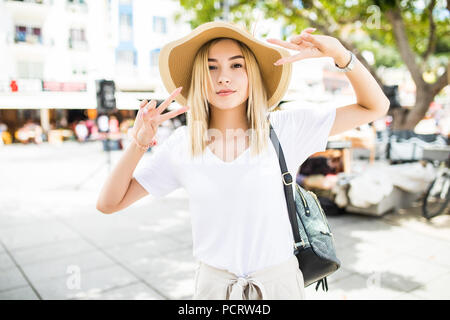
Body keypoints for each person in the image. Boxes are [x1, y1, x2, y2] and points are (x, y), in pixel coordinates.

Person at [96, 21, 389, 300]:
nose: (223, 77)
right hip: (214, 288)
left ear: (253, 75)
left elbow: (375, 106)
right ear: (199, 78)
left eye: (237, 65)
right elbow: (109, 203)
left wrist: (339, 53)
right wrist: (139, 142)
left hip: (279, 285)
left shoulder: (287, 128)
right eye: (211, 67)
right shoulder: (182, 144)